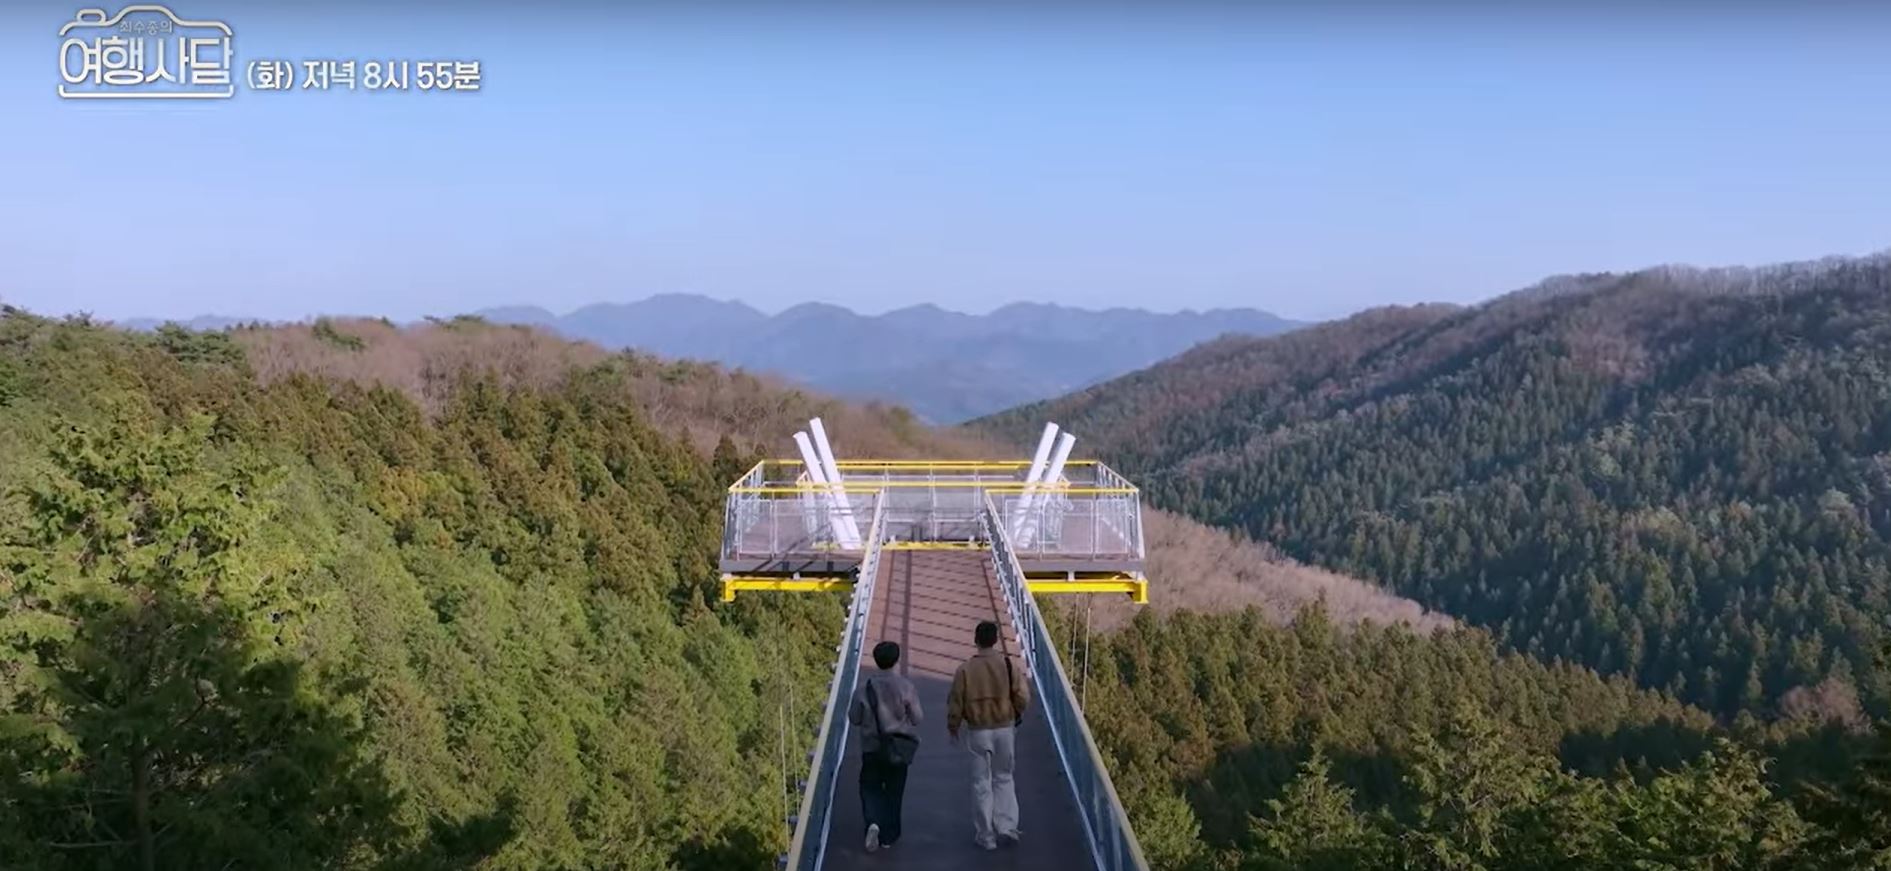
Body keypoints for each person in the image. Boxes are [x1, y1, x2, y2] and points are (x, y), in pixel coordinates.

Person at [946, 620, 1031, 851]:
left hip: (978, 730)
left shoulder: (965, 670)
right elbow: (1022, 695)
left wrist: (953, 726)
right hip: (1004, 728)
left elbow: (955, 703)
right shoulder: (1007, 664)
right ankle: (1007, 826)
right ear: (995, 639)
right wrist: (1016, 712)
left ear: (976, 640)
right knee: (1004, 777)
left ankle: (986, 835)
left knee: (981, 783)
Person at [849, 640, 922, 853]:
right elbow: (918, 718)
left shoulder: (864, 688)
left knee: (869, 786)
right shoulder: (906, 687)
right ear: (897, 660)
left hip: (871, 748)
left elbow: (854, 718)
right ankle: (889, 836)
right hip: (898, 748)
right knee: (894, 791)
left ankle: (873, 821)